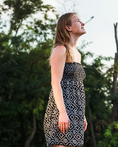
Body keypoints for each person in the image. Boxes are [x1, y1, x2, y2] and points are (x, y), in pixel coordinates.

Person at [44, 13, 88, 147]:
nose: (83, 23)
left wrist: (82, 115)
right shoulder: (60, 49)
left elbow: (77, 86)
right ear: (68, 27)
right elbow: (55, 82)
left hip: (76, 113)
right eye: (78, 21)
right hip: (61, 112)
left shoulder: (78, 54)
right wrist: (62, 113)